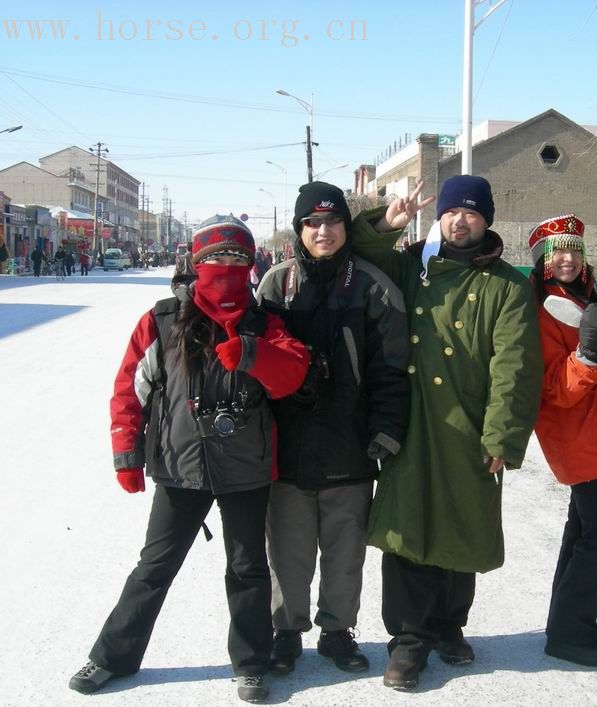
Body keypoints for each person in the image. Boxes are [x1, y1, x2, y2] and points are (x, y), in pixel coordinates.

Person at [68, 216, 310, 703]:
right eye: (214, 258)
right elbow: (129, 392)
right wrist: (126, 454)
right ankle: (113, 656)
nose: (226, 266)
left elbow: (292, 375)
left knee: (247, 568)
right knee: (154, 566)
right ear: (195, 263)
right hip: (179, 466)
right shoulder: (160, 321)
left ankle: (251, 662)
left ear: (250, 265)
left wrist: (251, 353)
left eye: (238, 258)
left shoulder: (265, 323)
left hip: (246, 467)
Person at [351, 176, 543, 690]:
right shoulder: (412, 265)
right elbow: (360, 252)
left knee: (463, 529)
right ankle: (408, 643)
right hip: (409, 425)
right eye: (452, 211)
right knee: (407, 534)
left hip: (468, 429)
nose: (461, 220)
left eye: (472, 213)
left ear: (487, 220)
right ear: (439, 217)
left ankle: (449, 625)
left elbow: (516, 367)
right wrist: (387, 224)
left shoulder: (507, 284)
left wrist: (501, 436)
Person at [255, 182, 410, 676]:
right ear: (300, 230)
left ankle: (338, 631)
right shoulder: (276, 287)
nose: (323, 231)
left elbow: (392, 367)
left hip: (351, 445)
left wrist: (385, 431)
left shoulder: (371, 285)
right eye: (312, 223)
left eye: (333, 221)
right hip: (288, 449)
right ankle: (285, 633)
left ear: (346, 226)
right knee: (287, 551)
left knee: (345, 552)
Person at [528, 214, 597, 667]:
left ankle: (571, 619)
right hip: (578, 437)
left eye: (573, 249)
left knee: (580, 532)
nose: (567, 258)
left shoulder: (584, 296)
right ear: (542, 261)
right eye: (557, 252)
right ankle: (567, 635)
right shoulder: (544, 309)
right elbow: (554, 386)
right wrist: (589, 353)